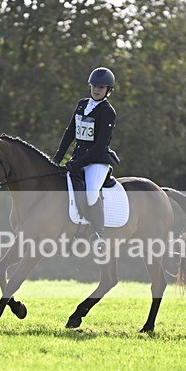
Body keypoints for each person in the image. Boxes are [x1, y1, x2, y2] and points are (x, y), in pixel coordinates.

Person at [53, 67, 120, 251]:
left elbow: (99, 146)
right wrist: (57, 158)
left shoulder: (108, 112)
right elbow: (70, 133)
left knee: (90, 191)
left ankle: (99, 234)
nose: (96, 90)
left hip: (97, 161)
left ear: (108, 90)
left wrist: (77, 163)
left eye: (101, 87)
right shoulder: (82, 104)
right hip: (78, 159)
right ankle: (75, 229)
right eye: (94, 86)